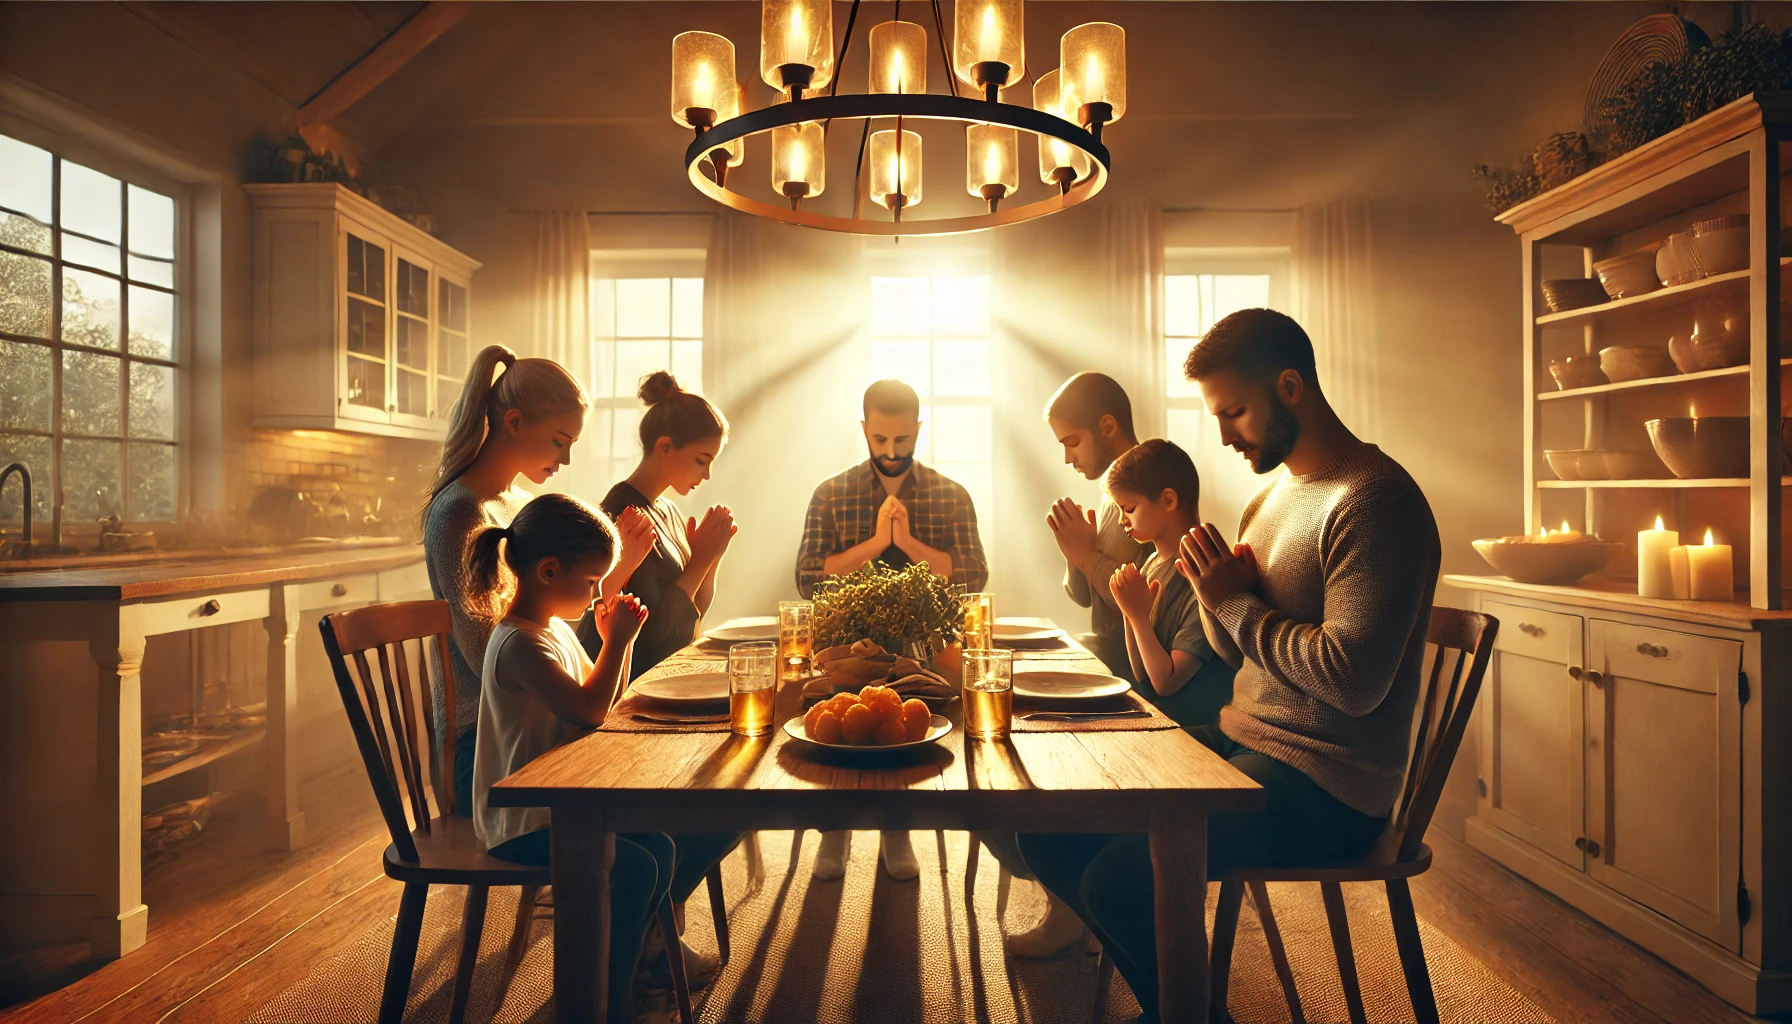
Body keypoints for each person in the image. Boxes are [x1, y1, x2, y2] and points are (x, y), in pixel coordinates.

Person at [1020, 308, 1440, 1021]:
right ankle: (1183, 1003)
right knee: (1048, 831)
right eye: (1216, 416)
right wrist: (1217, 599)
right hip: (1244, 745)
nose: (1221, 436)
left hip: (1329, 784)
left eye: (1235, 413)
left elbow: (1355, 682)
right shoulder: (1269, 500)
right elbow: (1231, 647)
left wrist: (1236, 606)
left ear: (1290, 387)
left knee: (1120, 881)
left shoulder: (1375, 502)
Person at [422, 345, 652, 815]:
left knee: (654, 784)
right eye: (559, 440)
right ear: (514, 423)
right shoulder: (459, 512)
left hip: (537, 720)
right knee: (644, 802)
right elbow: (492, 655)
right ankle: (593, 882)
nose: (565, 459)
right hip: (485, 743)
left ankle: (600, 883)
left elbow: (544, 627)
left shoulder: (521, 504)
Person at [795, 378, 990, 882]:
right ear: (863, 429)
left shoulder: (951, 495)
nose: (891, 451)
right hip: (843, 649)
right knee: (842, 730)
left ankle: (897, 829)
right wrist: (878, 541)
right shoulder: (831, 493)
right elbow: (807, 577)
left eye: (902, 440)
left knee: (903, 735)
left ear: (918, 430)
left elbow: (973, 573)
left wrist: (908, 541)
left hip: (927, 653)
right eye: (880, 440)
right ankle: (834, 831)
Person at [577, 371, 737, 679]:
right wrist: (700, 560)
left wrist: (711, 558)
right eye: (701, 460)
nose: (706, 476)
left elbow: (695, 613)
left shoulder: (669, 510)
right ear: (665, 446)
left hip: (663, 675)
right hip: (618, 682)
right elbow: (653, 635)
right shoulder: (622, 514)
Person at [1103, 439, 1234, 729]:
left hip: (1192, 725)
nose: (1122, 520)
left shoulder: (1203, 571)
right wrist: (1130, 612)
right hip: (1156, 711)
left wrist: (1137, 616)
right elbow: (1141, 674)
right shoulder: (1151, 563)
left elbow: (1165, 682)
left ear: (1168, 500)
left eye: (1129, 508)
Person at [1042, 372, 1148, 680]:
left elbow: (1136, 607)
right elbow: (1085, 598)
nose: (1067, 458)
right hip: (1113, 650)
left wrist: (1085, 555)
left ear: (1107, 427)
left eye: (1072, 442)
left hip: (1140, 662)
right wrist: (1073, 552)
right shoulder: (1109, 492)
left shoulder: (1146, 488)